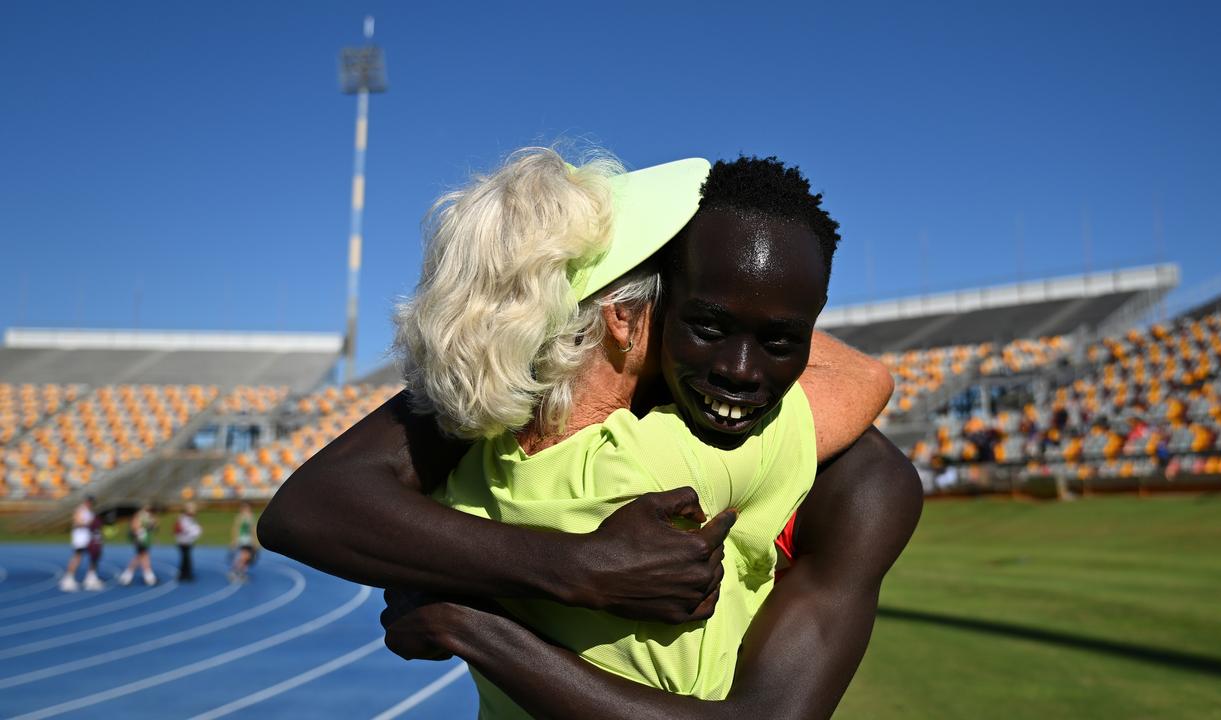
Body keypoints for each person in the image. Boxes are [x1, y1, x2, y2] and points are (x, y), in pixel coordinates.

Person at [260, 152, 919, 718]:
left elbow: (304, 506)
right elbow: (863, 378)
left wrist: (469, 613)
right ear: (627, 318)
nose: (737, 370)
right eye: (687, 304)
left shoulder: (466, 443)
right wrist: (560, 577)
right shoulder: (694, 458)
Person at [60, 495, 103, 592]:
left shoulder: (89, 511)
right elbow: (77, 522)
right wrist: (91, 522)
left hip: (88, 536)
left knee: (94, 556)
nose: (90, 504)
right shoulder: (81, 510)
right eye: (89, 502)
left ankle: (90, 577)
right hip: (80, 537)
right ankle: (68, 578)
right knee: (77, 556)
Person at [118, 502, 157, 586]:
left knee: (143, 556)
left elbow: (153, 526)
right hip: (140, 539)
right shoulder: (140, 515)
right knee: (142, 556)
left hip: (145, 539)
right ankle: (130, 575)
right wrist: (139, 534)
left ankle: (146, 575)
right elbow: (135, 527)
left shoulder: (148, 516)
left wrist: (152, 524)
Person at [228, 501, 256, 583]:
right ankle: (235, 572)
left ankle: (240, 572)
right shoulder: (240, 517)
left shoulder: (251, 517)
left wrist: (254, 541)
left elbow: (253, 529)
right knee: (244, 557)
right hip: (242, 540)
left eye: (248, 508)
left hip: (248, 540)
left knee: (246, 558)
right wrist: (234, 540)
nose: (247, 509)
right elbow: (235, 528)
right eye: (245, 508)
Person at [174, 502, 202, 581]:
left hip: (188, 541)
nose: (194, 510)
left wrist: (196, 532)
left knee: (186, 558)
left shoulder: (192, 519)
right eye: (192, 509)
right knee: (185, 558)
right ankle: (184, 575)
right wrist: (192, 532)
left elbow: (195, 529)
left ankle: (185, 574)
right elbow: (180, 529)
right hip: (183, 541)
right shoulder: (182, 518)